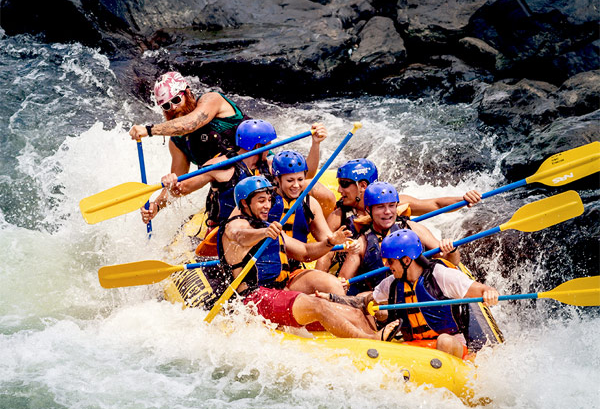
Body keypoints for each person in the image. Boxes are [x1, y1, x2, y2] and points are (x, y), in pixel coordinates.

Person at [212, 176, 399, 340]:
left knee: (354, 314)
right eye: (261, 201)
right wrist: (263, 232)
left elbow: (305, 252)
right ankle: (371, 340)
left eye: (269, 200)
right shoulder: (235, 226)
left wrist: (329, 242)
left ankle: (381, 348)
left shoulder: (268, 226)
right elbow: (240, 236)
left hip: (279, 291)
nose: (267, 205)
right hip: (252, 300)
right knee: (319, 306)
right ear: (245, 204)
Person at [129, 72, 248, 217]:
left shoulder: (212, 99)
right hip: (227, 192)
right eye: (166, 105)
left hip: (256, 171)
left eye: (176, 100)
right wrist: (156, 206)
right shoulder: (177, 142)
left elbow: (189, 124)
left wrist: (148, 130)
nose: (172, 108)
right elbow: (179, 187)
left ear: (188, 93)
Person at [373, 229, 499, 358]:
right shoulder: (391, 283)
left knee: (444, 341)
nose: (387, 265)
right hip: (415, 346)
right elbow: (368, 300)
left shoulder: (440, 275)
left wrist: (490, 293)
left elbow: (483, 289)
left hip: (450, 345)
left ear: (406, 260)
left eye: (390, 261)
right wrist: (370, 308)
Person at [142, 119, 276, 225]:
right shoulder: (220, 166)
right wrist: (160, 199)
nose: (270, 148)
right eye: (269, 144)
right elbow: (180, 189)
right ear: (258, 146)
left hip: (259, 226)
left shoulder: (269, 166)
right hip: (225, 231)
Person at [338, 181, 462, 295]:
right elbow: (341, 284)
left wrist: (452, 250)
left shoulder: (413, 229)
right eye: (380, 207)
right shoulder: (362, 244)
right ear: (369, 210)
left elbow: (451, 262)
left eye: (391, 206)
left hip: (424, 295)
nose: (387, 212)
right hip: (387, 304)